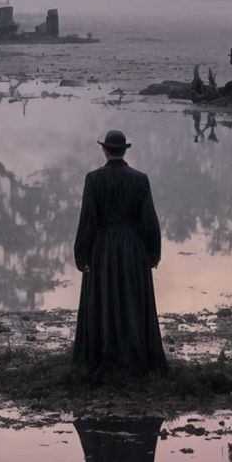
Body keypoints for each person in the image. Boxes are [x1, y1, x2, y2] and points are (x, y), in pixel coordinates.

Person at [72, 129, 167, 378]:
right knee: (132, 299)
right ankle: (134, 354)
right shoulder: (140, 179)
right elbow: (149, 221)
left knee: (103, 299)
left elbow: (88, 221)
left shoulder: (93, 179)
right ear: (124, 150)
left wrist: (81, 255)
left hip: (102, 247)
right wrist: (153, 253)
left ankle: (105, 354)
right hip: (132, 247)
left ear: (105, 150)